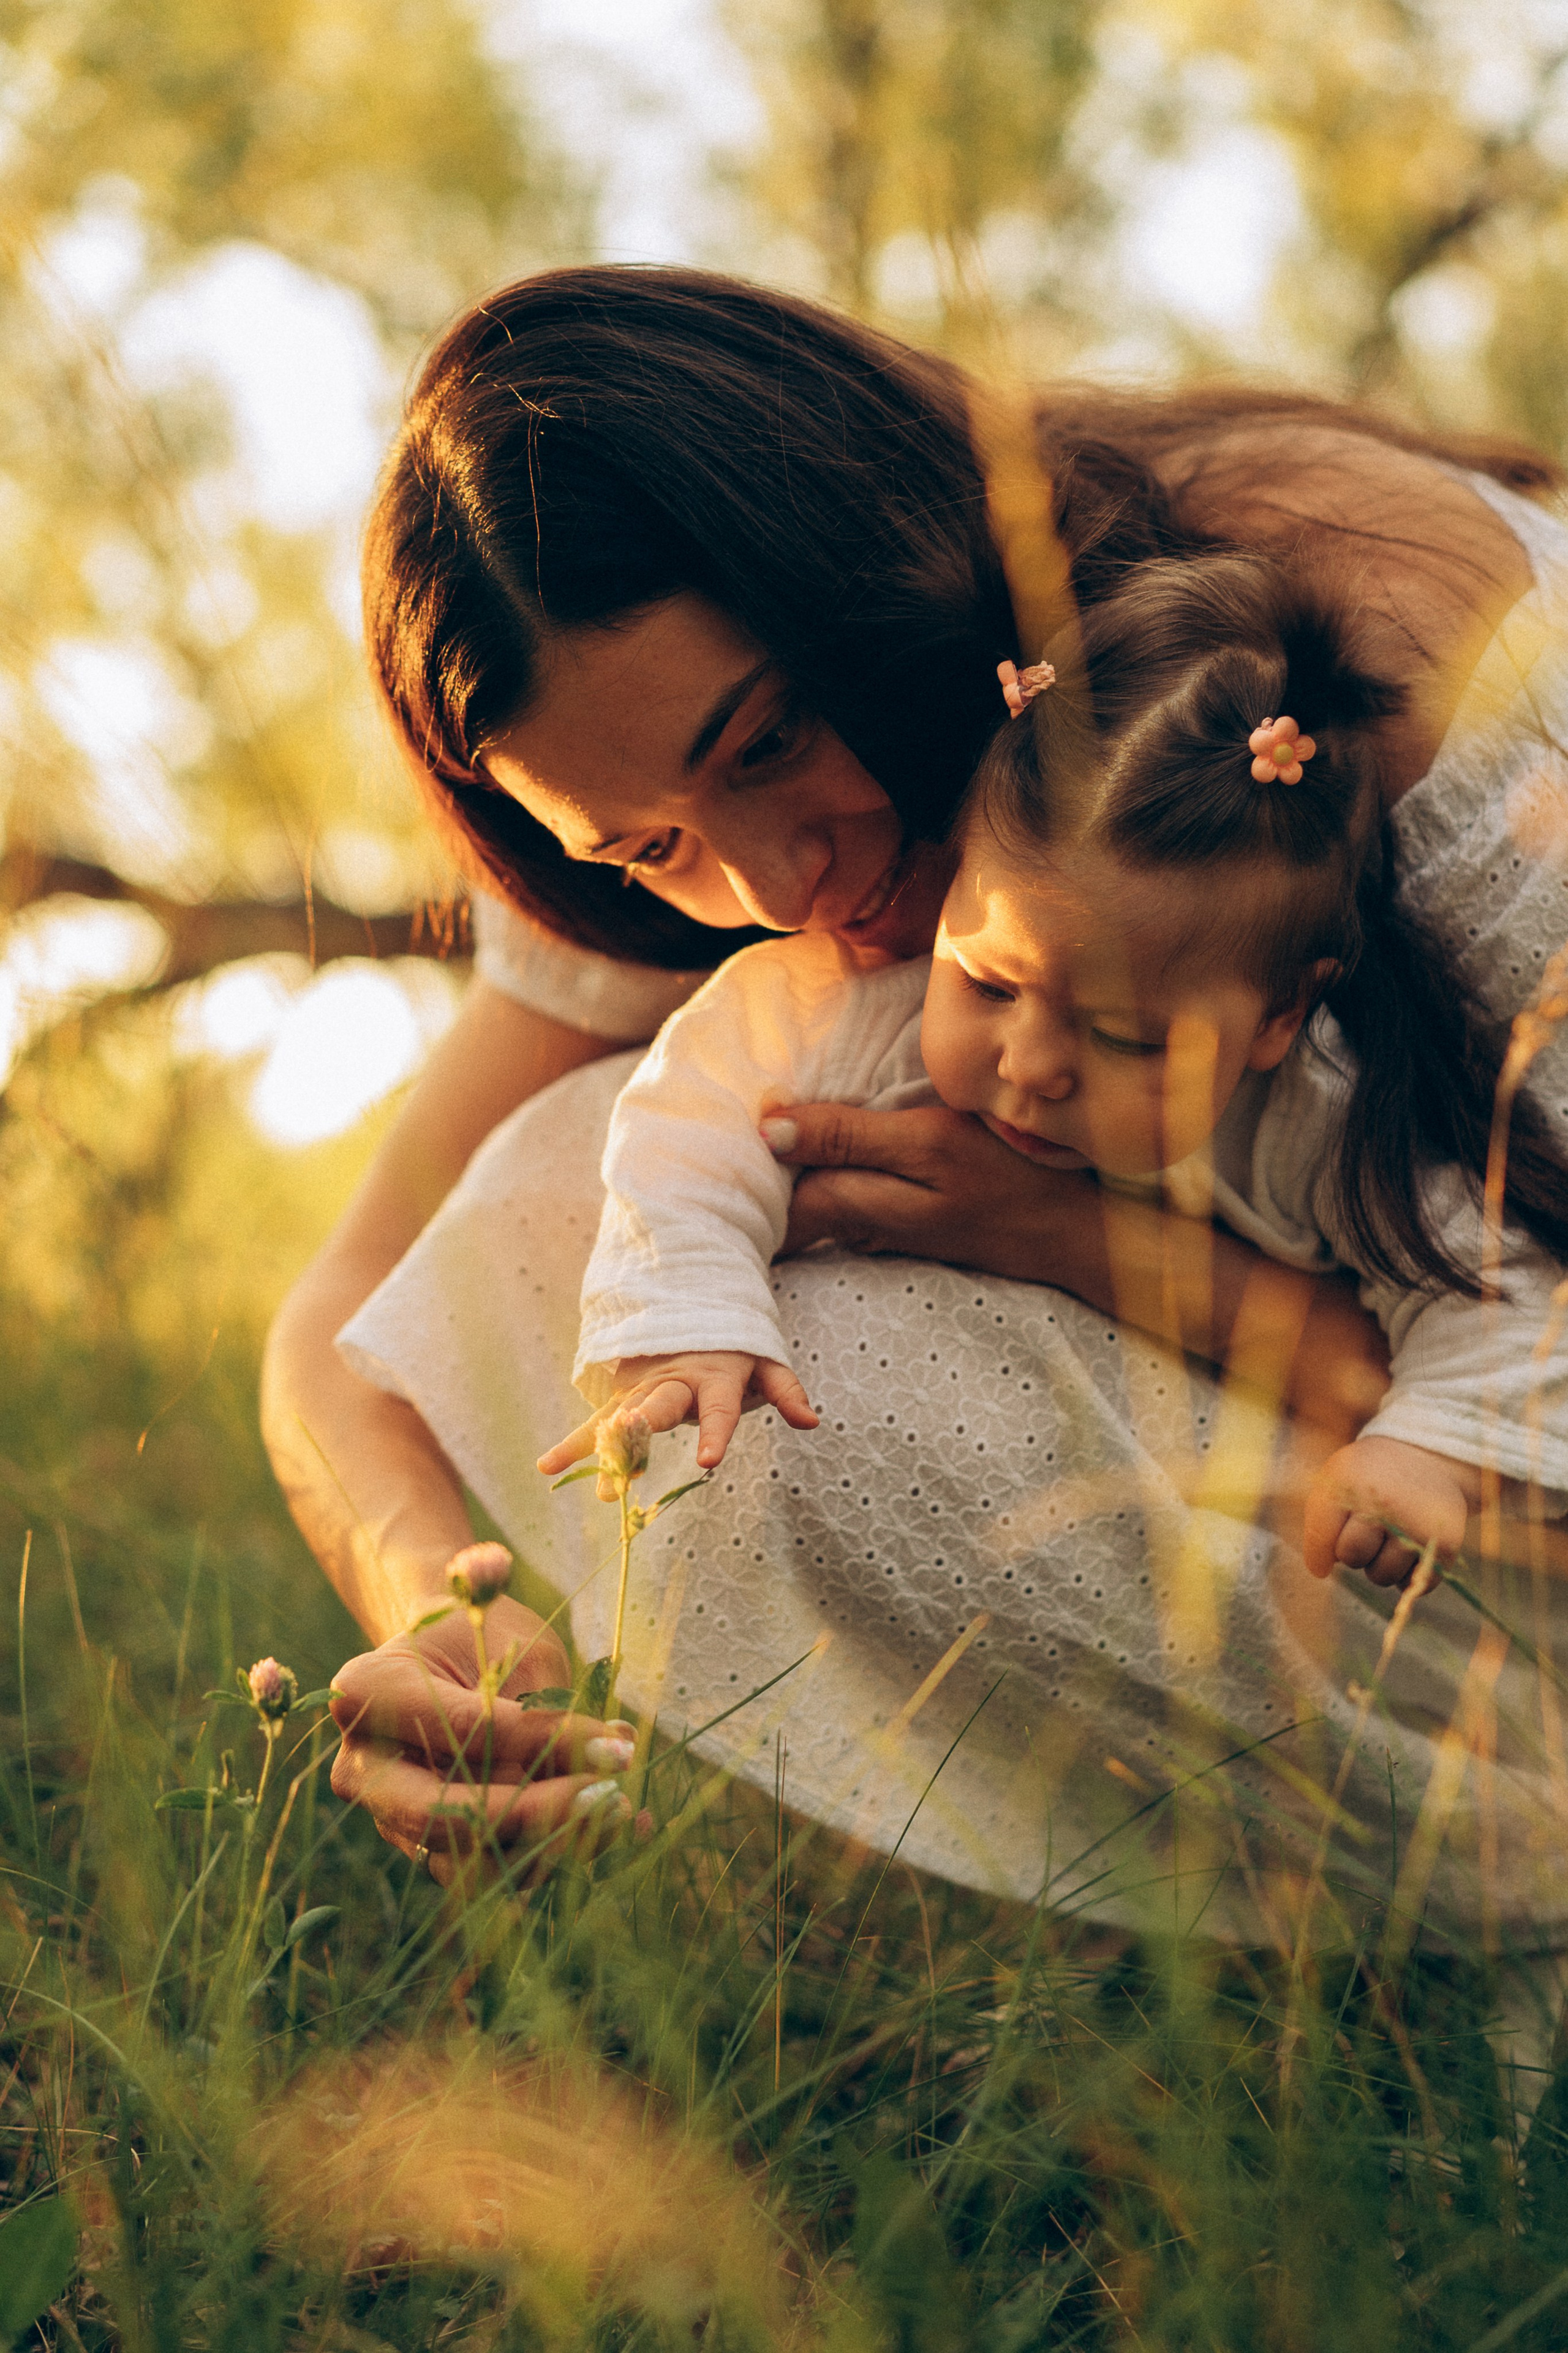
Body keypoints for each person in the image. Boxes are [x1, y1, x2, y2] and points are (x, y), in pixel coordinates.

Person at [265, 266, 1568, 1944]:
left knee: (811, 1366)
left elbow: (1522, 1355)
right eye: (650, 848)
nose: (773, 885)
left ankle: (1485, 1875)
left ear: (870, 577)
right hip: (1361, 1446)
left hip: (1492, 1476)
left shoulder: (1319, 702)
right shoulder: (621, 760)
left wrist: (1058, 1232)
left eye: (771, 739)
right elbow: (350, 1309)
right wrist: (431, 1597)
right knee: (589, 1186)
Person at [541, 557, 1568, 1614]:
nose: (1030, 1063)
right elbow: (693, 1112)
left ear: (1278, 1015)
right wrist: (690, 1316)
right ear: (955, 882)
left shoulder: (1329, 1116)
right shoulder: (862, 1003)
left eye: (1125, 1036)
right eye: (988, 983)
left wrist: (1427, 1453)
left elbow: (1503, 1296)